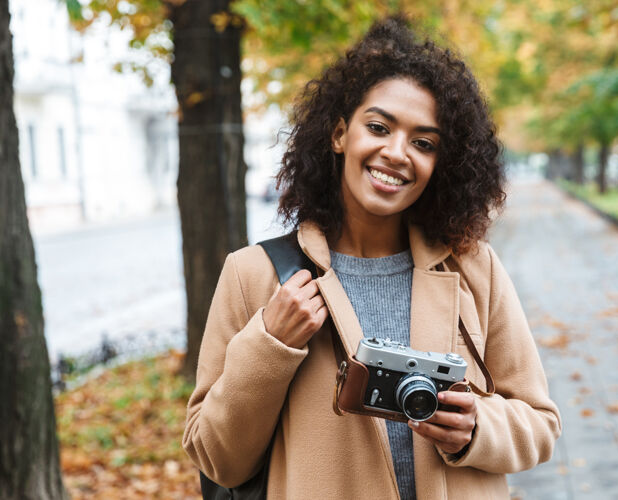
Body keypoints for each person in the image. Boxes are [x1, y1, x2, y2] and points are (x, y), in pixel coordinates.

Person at [183, 16, 561, 500]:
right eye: (379, 127)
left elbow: (541, 423)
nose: (397, 153)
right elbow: (217, 459)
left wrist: (476, 429)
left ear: (439, 163)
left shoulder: (473, 267)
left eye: (423, 143)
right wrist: (270, 345)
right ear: (340, 135)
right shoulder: (252, 275)